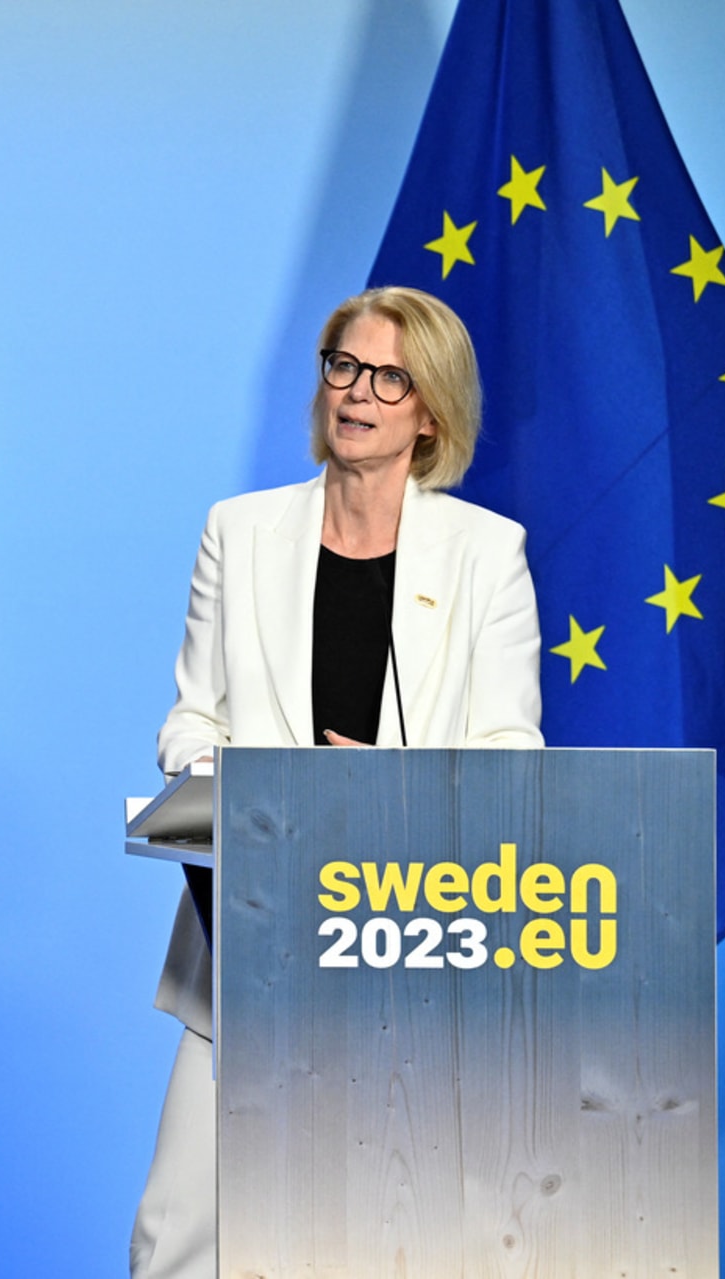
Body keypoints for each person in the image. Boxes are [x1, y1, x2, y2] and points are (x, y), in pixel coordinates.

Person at [129, 286, 543, 1279]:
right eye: (342, 365)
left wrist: (391, 790)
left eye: (388, 377)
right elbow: (192, 714)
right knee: (180, 1235)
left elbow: (513, 755)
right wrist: (230, 779)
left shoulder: (488, 555)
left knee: (396, 1239)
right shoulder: (240, 531)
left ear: (430, 411)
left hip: (411, 929)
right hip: (257, 923)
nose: (356, 392)